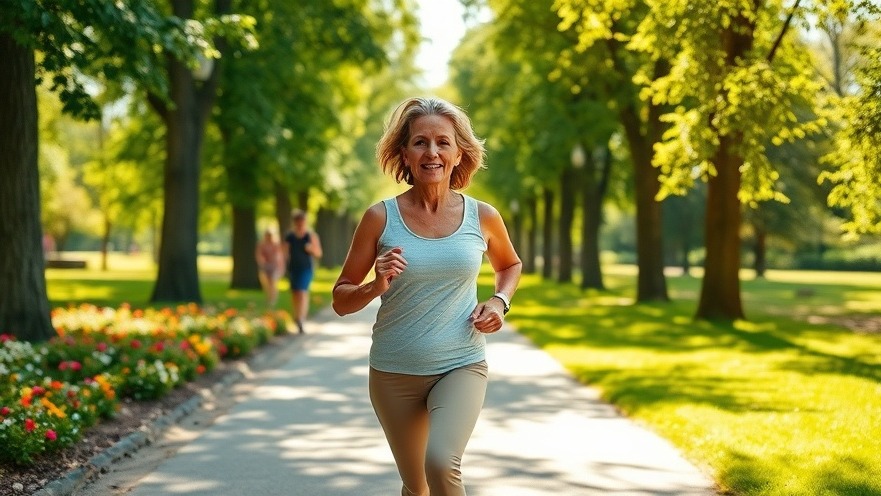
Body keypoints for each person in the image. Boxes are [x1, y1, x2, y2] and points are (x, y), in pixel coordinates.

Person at [332, 97, 522, 496]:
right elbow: (341, 299)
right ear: (405, 153)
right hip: (393, 372)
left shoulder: (482, 216)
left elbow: (509, 266)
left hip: (461, 364)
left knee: (441, 463)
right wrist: (375, 284)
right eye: (420, 142)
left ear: (458, 154)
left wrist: (498, 301)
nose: (431, 152)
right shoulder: (379, 217)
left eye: (442, 142)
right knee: (416, 486)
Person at [284, 209, 322, 333]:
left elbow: (318, 253)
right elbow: (284, 252)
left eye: (302, 221)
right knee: (295, 293)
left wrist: (310, 249)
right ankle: (296, 316)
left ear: (305, 221)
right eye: (297, 221)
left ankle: (301, 319)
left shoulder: (310, 236)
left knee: (302, 292)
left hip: (306, 268)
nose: (300, 223)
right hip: (293, 268)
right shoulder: (290, 236)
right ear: (294, 222)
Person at [255, 229, 284, 308]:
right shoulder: (262, 245)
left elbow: (279, 257)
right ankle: (269, 298)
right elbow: (259, 255)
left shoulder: (276, 245)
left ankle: (273, 299)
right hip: (265, 266)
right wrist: (261, 261)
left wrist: (280, 267)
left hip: (274, 266)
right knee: (266, 283)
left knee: (273, 283)